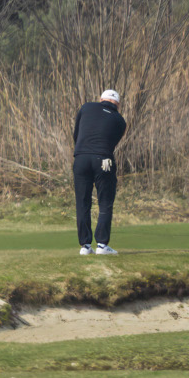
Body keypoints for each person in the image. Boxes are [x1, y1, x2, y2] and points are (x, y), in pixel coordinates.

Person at [71, 87, 125, 256]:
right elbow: (112, 142)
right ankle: (102, 245)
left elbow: (76, 134)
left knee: (82, 202)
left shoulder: (86, 107)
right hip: (103, 160)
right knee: (105, 202)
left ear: (101, 99)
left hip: (81, 158)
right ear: (117, 104)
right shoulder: (120, 120)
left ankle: (85, 246)